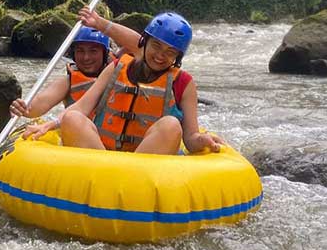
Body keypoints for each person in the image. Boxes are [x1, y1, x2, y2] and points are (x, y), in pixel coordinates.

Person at [23, 11, 224, 155]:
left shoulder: (184, 83)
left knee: (171, 125)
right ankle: (102, 178)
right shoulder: (118, 66)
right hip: (103, 155)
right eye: (156, 46)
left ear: (178, 57)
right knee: (73, 118)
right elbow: (81, 107)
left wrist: (201, 141)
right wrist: (51, 124)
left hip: (145, 163)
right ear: (144, 43)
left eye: (170, 52)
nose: (160, 56)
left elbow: (190, 138)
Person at [9, 6, 141, 120]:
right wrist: (23, 108)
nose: (86, 57)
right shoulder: (67, 82)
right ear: (73, 54)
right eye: (80, 51)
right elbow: (40, 103)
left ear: (105, 53)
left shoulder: (120, 68)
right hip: (79, 138)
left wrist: (100, 23)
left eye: (93, 51)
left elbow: (141, 45)